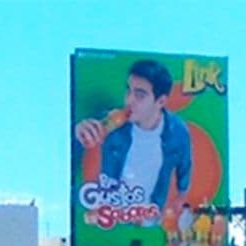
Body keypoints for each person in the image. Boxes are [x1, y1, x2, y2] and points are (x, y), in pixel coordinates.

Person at [73, 59, 193, 214]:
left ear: (161, 101)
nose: (129, 100)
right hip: (111, 219)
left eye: (140, 95)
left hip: (152, 216)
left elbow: (185, 168)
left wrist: (180, 200)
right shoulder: (112, 124)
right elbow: (75, 149)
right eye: (128, 91)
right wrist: (78, 131)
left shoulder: (177, 131)